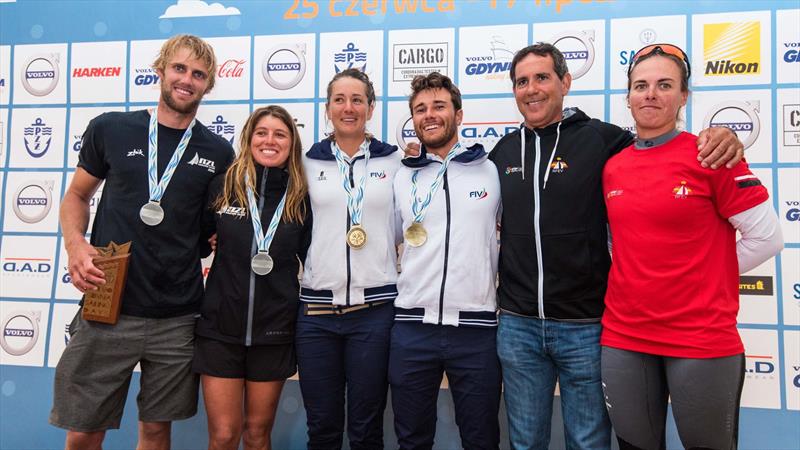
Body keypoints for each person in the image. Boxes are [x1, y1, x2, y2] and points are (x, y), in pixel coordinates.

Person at [488, 43, 745, 449]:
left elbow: (662, 145)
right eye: (522, 81)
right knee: (524, 441)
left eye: (542, 77)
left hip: (587, 325)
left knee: (589, 443)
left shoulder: (605, 140)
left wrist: (722, 135)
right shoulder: (500, 153)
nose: (532, 89)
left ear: (565, 82)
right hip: (517, 325)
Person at [49, 35, 234, 450]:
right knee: (83, 431)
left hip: (178, 315)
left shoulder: (219, 152)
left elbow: (211, 229)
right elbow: (76, 196)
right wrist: (76, 245)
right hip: (107, 304)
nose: (187, 80)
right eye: (180, 69)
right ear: (161, 70)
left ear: (208, 85)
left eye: (198, 74)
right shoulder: (110, 129)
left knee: (155, 431)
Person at [601, 43, 783, 450]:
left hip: (699, 338)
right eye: (641, 85)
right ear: (628, 97)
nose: (650, 94)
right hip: (624, 336)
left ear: (684, 96)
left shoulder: (712, 154)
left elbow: (768, 237)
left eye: (664, 84)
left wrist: (704, 272)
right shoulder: (613, 165)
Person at [390, 72, 502, 450]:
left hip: (476, 329)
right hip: (411, 327)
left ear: (459, 114)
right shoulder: (401, 176)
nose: (429, 115)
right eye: (420, 109)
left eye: (439, 106)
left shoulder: (491, 169)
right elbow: (382, 238)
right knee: (412, 438)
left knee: (480, 438)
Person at [296, 68, 403, 450]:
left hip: (374, 313)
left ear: (371, 108)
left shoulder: (396, 164)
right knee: (322, 428)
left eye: (357, 100)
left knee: (366, 428)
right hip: (317, 316)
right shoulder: (306, 164)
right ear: (327, 109)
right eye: (339, 100)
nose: (348, 107)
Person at [194, 105, 311, 450]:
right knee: (224, 436)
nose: (269, 141)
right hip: (220, 331)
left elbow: (313, 257)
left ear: (292, 144)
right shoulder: (223, 186)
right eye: (262, 132)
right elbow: (199, 239)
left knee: (258, 435)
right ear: (248, 138)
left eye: (280, 134)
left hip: (274, 331)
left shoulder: (302, 196)